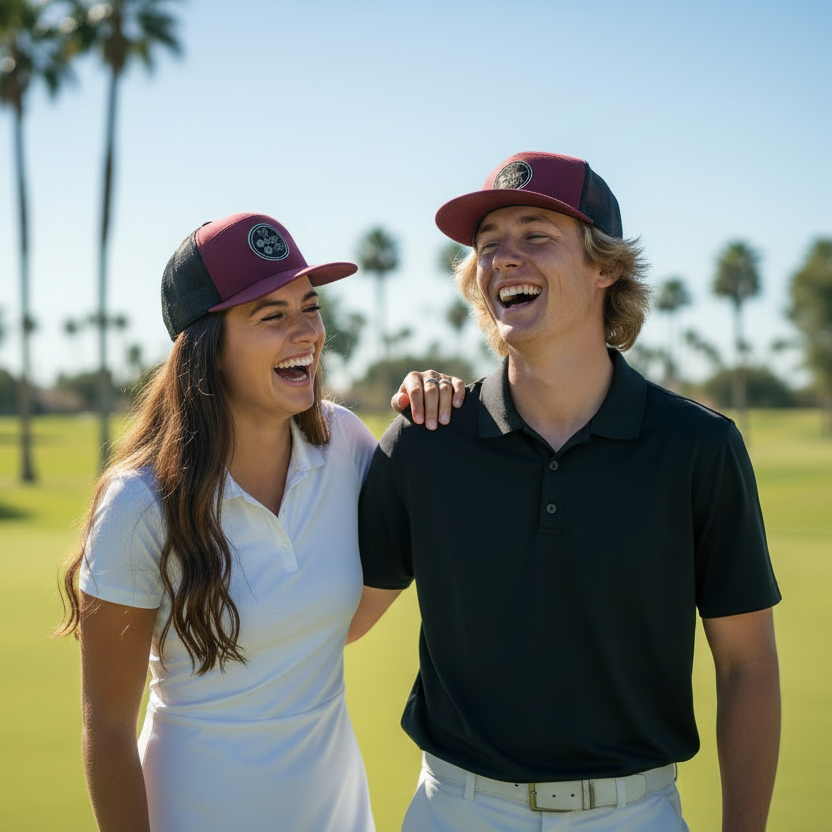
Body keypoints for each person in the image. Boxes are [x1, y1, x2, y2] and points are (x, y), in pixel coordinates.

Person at [353, 152, 782, 832]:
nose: (504, 260)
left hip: (634, 815)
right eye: (488, 246)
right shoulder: (425, 442)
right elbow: (332, 624)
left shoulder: (698, 446)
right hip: (454, 811)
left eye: (536, 236)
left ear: (605, 266)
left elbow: (747, 667)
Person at [56, 212, 463, 832]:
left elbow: (329, 626)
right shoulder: (139, 503)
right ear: (205, 347)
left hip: (337, 816)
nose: (305, 332)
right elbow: (107, 730)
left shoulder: (345, 444)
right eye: (271, 316)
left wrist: (435, 401)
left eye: (310, 306)